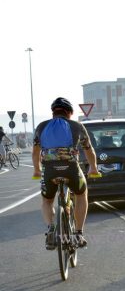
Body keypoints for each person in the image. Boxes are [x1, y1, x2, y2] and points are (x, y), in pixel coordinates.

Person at [32, 97, 100, 249]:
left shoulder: (41, 127)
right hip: (71, 169)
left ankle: (51, 229)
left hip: (49, 171)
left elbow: (35, 152)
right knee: (81, 194)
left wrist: (37, 169)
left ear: (53, 113)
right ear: (69, 113)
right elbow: (89, 150)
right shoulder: (77, 126)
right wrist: (93, 168)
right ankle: (78, 233)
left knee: (47, 200)